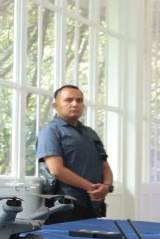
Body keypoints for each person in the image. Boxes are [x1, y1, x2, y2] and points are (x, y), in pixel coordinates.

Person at [37, 84, 114, 223]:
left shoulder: (90, 133)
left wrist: (106, 186)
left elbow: (104, 165)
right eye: (68, 100)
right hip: (66, 206)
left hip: (94, 204)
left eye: (79, 100)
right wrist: (92, 188)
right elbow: (56, 170)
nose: (75, 104)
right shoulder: (50, 131)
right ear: (55, 106)